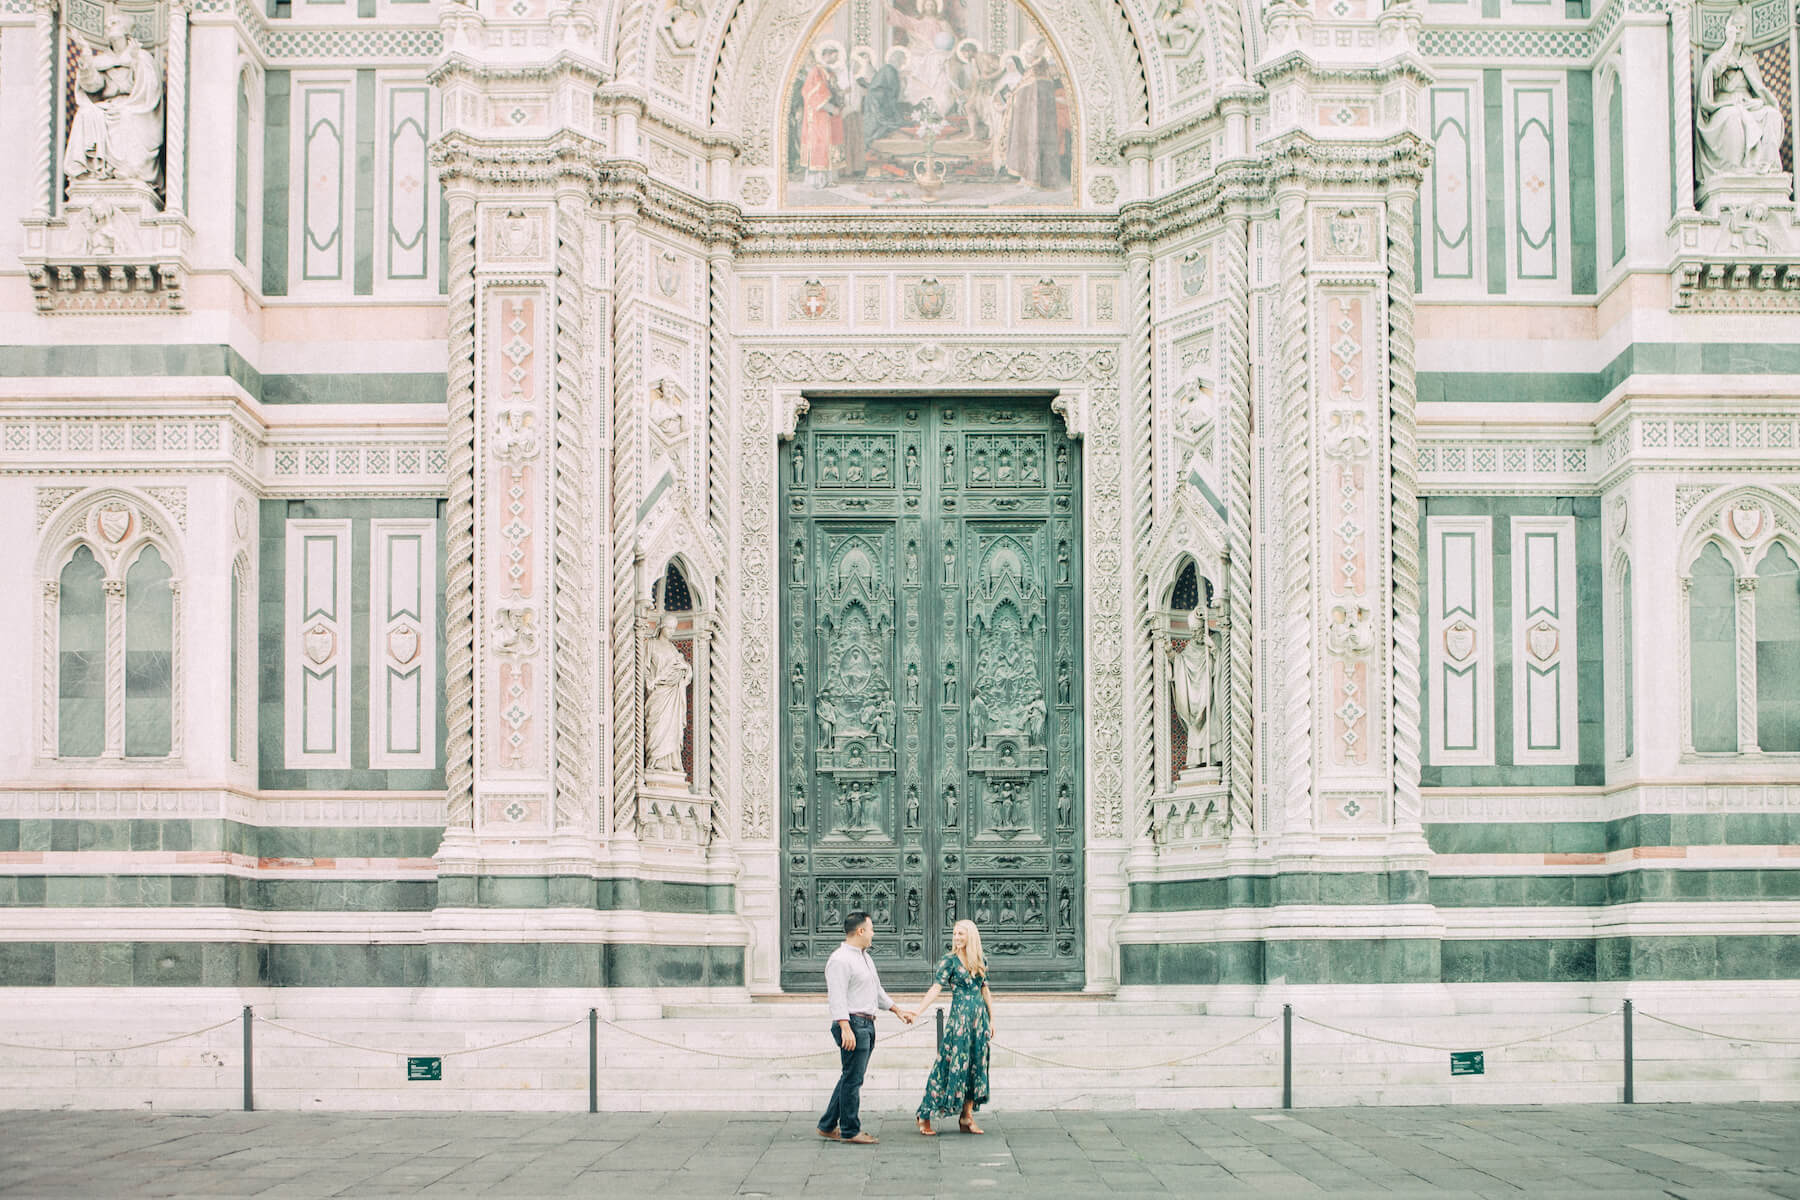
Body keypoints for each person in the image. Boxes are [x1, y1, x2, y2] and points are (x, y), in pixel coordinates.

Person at [818, 911, 914, 1145]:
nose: (873, 933)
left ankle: (828, 1125)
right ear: (860, 931)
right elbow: (837, 996)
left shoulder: (864, 957)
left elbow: (876, 991)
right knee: (853, 1080)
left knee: (849, 1077)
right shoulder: (840, 960)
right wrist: (845, 1027)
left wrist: (897, 1010)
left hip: (867, 1024)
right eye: (871, 929)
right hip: (853, 1024)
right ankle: (850, 1130)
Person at [911, 919, 994, 1136]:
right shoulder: (949, 961)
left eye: (961, 934)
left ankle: (967, 1116)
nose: (956, 938)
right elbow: (936, 988)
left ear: (971, 937)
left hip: (979, 1021)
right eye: (955, 934)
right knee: (946, 1066)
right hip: (959, 1023)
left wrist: (992, 1020)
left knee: (976, 1066)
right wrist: (918, 1011)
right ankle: (925, 1114)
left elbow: (985, 991)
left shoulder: (980, 960)